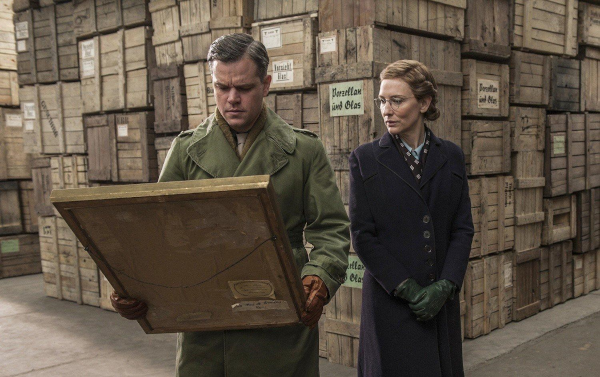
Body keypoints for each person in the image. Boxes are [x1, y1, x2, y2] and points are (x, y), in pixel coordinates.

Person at [110, 34, 350, 377]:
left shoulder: (304, 151)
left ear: (266, 85)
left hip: (281, 313)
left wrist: (320, 278)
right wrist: (131, 285)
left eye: (244, 88)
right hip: (205, 318)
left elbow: (331, 229)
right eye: (221, 87)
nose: (232, 98)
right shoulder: (186, 151)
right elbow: (157, 234)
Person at [348, 60, 474, 376]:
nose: (386, 110)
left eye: (397, 100)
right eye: (382, 101)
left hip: (438, 300)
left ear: (424, 102)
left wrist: (445, 286)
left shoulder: (451, 156)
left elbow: (462, 228)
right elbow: (362, 235)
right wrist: (409, 290)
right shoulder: (366, 159)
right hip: (389, 300)